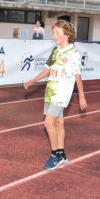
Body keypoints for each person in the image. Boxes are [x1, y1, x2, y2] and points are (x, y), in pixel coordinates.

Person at [23, 20, 87, 170]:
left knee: (48, 123)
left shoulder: (73, 54)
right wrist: (33, 80)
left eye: (57, 33)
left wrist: (82, 97)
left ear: (67, 35)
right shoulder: (55, 51)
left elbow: (77, 76)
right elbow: (46, 69)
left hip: (62, 93)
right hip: (51, 90)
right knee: (59, 123)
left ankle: (55, 155)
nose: (54, 35)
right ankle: (62, 154)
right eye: (54, 33)